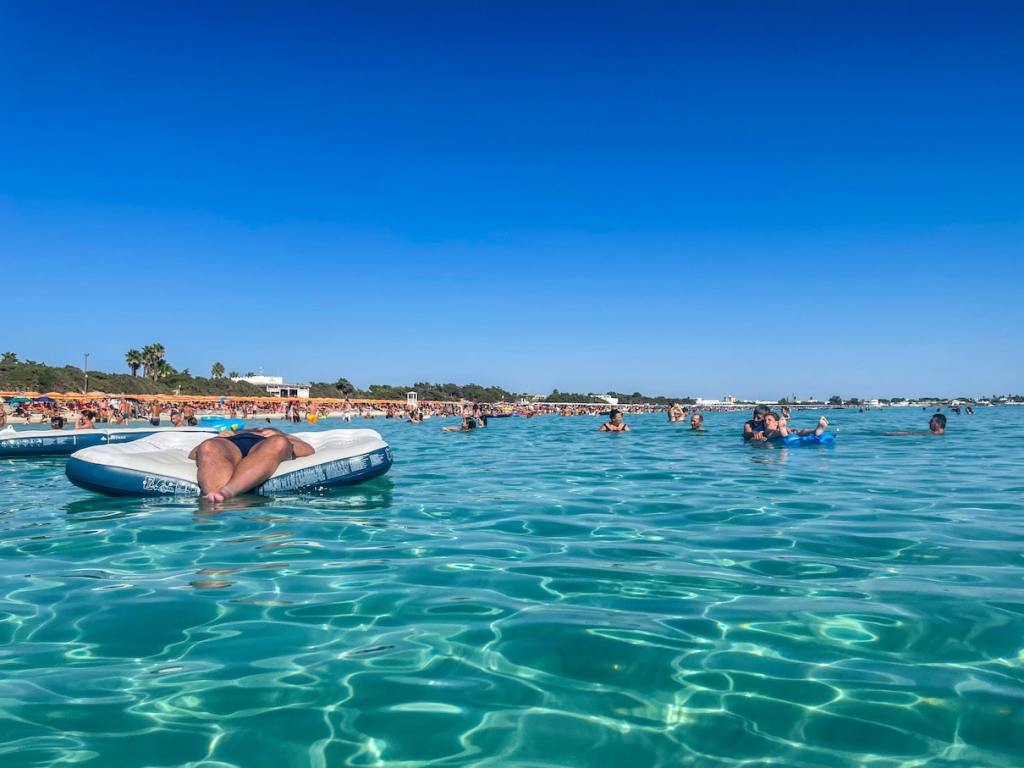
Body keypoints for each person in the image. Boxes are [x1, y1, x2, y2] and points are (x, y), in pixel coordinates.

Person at [189, 427, 314, 502]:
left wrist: (283, 435)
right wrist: (218, 437)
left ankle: (226, 493)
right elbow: (194, 453)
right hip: (231, 442)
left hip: (265, 442)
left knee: (279, 442)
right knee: (208, 446)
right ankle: (216, 500)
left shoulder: (276, 433)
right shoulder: (232, 433)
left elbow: (308, 449)